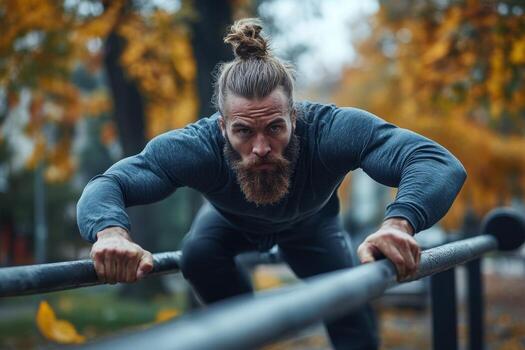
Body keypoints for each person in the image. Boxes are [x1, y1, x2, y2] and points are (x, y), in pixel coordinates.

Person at [77, 18, 466, 350]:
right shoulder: (196, 148)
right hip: (228, 225)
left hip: (313, 227)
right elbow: (110, 183)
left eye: (275, 127)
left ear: (295, 118)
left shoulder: (331, 131)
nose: (261, 148)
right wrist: (110, 234)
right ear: (221, 127)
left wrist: (399, 224)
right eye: (243, 131)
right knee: (197, 256)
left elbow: (436, 162)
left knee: (354, 310)